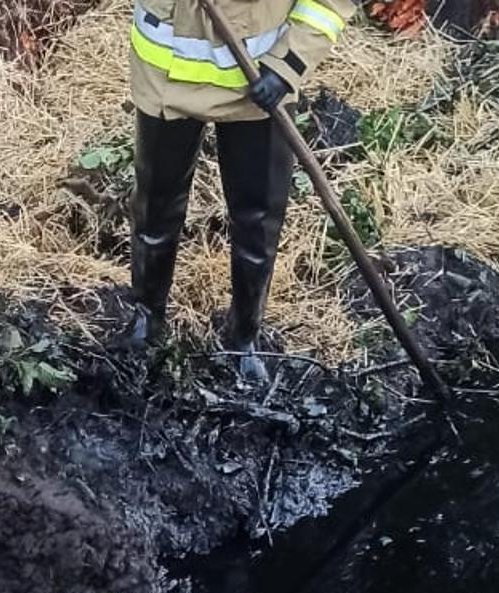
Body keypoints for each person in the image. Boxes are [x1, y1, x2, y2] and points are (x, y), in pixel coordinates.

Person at [126, 0, 354, 381]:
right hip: (163, 72)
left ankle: (245, 334)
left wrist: (288, 66)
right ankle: (147, 316)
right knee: (155, 205)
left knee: (258, 217)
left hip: (260, 81)